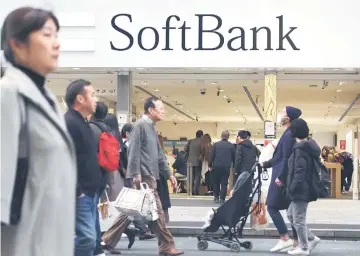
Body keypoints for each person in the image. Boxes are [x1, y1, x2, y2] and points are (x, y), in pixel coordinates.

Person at [1, 7, 77, 256]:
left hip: (50, 239)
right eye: (47, 34)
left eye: (56, 35)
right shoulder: (8, 93)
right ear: (17, 44)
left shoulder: (47, 99)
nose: (56, 44)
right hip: (24, 242)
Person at [127, 96, 183, 255]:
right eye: (161, 108)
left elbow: (159, 155)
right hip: (144, 175)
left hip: (151, 174)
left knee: (130, 210)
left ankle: (109, 240)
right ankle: (167, 246)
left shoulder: (151, 127)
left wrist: (168, 173)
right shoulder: (140, 126)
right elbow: (133, 151)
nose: (164, 112)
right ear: (151, 110)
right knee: (157, 211)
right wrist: (135, 173)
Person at [64, 79, 103, 256]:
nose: (96, 99)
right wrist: (77, 190)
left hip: (91, 192)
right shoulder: (69, 123)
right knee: (87, 238)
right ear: (80, 98)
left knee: (93, 240)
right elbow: (65, 159)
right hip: (81, 193)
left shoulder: (84, 123)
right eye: (92, 95)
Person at [262, 106, 302, 253]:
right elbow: (279, 157)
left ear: (289, 118)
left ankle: (285, 238)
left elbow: (286, 158)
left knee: (272, 206)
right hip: (283, 176)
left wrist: (281, 177)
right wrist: (265, 164)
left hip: (281, 177)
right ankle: (297, 242)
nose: (280, 115)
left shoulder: (288, 135)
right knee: (291, 211)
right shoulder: (289, 134)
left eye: (283, 113)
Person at [286, 118, 321, 255]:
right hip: (302, 187)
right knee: (291, 215)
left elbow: (299, 170)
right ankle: (311, 238)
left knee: (298, 219)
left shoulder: (300, 148)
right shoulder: (307, 146)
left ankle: (304, 248)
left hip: (300, 188)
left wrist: (293, 186)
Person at [89, 101, 111, 256]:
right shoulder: (107, 129)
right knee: (93, 210)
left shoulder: (90, 129)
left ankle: (95, 244)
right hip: (104, 174)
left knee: (89, 210)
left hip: (91, 175)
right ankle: (96, 243)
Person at [209, 131, 235, 204]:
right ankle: (222, 199)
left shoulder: (216, 145)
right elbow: (234, 157)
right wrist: (234, 167)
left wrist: (210, 165)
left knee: (216, 182)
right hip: (226, 167)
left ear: (221, 136)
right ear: (228, 137)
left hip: (216, 166)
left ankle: (216, 197)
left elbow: (211, 156)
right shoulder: (231, 146)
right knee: (224, 183)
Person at [185, 130, 203, 195]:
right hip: (198, 161)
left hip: (190, 161)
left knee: (191, 176)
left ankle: (190, 191)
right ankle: (196, 191)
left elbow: (185, 149)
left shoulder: (190, 141)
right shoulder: (202, 142)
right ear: (201, 135)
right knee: (198, 176)